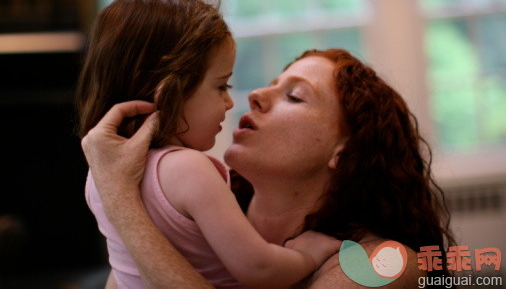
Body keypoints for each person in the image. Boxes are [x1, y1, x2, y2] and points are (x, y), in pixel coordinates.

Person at [81, 48, 456, 288]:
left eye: (294, 96)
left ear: (346, 149)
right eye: (270, 86)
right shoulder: (191, 227)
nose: (256, 96)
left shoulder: (384, 264)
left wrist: (120, 198)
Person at [75, 0, 342, 289]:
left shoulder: (101, 176)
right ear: (170, 92)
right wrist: (306, 254)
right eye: (221, 86)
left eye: (294, 97)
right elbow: (259, 268)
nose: (232, 102)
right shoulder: (190, 170)